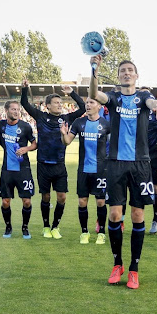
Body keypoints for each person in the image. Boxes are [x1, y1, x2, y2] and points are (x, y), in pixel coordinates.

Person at [89, 54, 157, 289]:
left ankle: (134, 269)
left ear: (136, 75)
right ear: (119, 75)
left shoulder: (144, 97)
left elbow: (152, 104)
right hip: (115, 163)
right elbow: (94, 95)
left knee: (137, 216)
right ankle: (117, 263)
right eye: (122, 70)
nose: (126, 73)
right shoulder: (113, 98)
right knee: (114, 215)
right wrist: (93, 69)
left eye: (130, 70)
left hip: (141, 164)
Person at [21, 79, 85, 239]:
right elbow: (25, 103)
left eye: (60, 102)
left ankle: (55, 226)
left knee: (62, 197)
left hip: (59, 165)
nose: (59, 104)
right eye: (56, 102)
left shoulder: (66, 118)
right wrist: (24, 89)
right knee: (46, 197)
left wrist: (71, 93)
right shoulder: (40, 116)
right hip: (43, 165)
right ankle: (46, 226)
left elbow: (83, 107)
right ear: (47, 105)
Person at [61, 97, 110, 244]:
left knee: (101, 202)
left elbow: (114, 144)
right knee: (82, 201)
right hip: (83, 169)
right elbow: (67, 142)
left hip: (101, 170)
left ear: (99, 106)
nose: (88, 105)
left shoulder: (106, 124)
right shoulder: (79, 122)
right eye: (87, 103)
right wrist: (64, 134)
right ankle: (84, 232)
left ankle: (101, 232)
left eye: (91, 103)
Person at [0, 100, 37, 239]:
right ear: (6, 111)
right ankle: (8, 227)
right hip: (7, 170)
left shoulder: (25, 127)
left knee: (27, 201)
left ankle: (25, 228)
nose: (16, 112)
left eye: (17, 109)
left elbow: (35, 143)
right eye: (13, 109)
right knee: (5, 201)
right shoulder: (0, 125)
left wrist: (26, 148)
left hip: (23, 169)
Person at [143, 89, 157, 235]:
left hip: (155, 156)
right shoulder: (136, 112)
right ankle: (139, 220)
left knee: (156, 187)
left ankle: (155, 220)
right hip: (139, 157)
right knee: (139, 189)